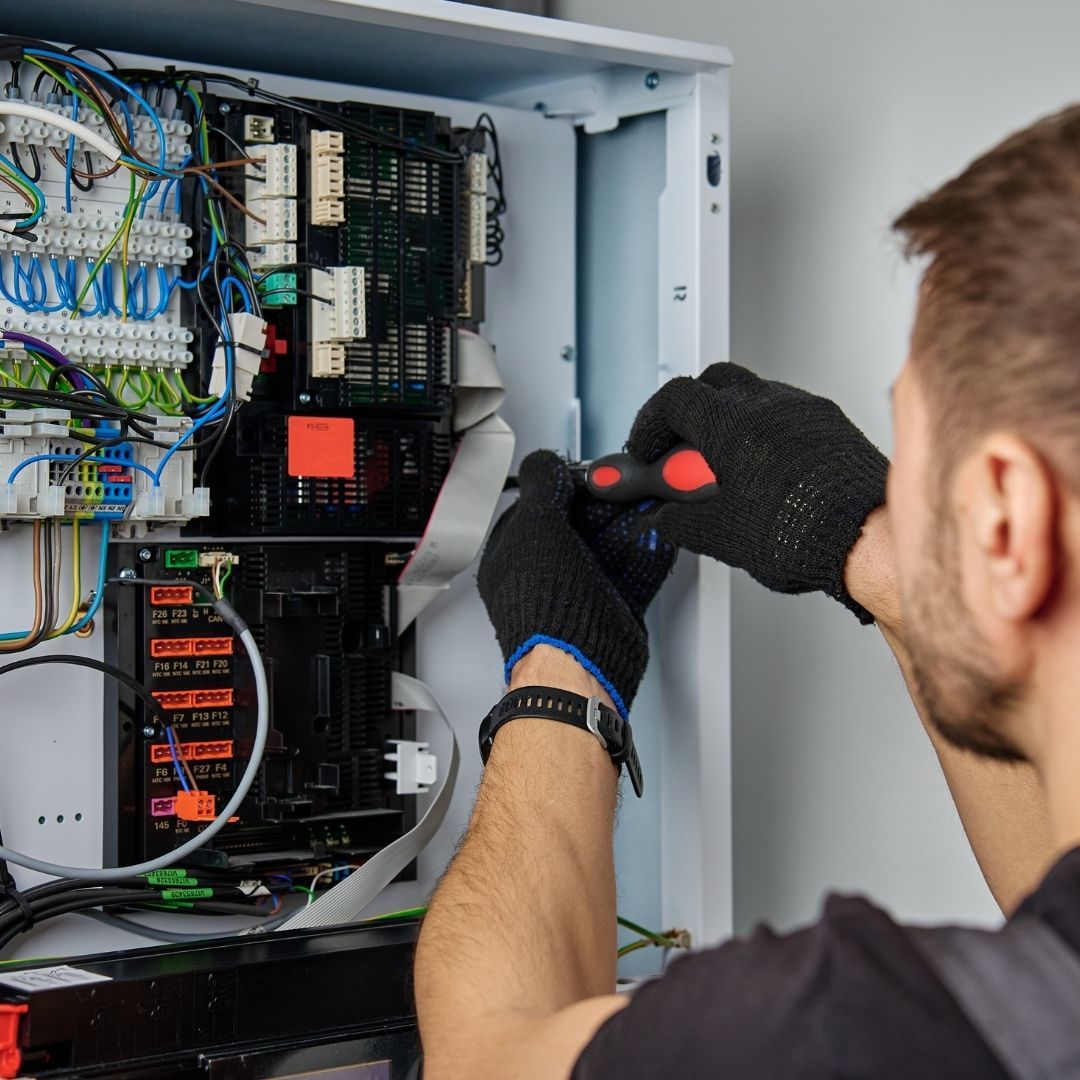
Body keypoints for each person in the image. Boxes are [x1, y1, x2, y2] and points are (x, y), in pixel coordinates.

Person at [412, 103, 1080, 1078]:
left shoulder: (838, 1035)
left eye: (918, 462)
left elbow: (480, 1059)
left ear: (1009, 520)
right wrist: (876, 551)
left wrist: (563, 667)